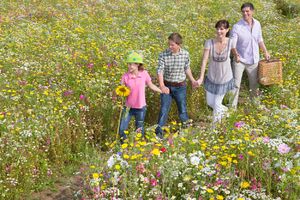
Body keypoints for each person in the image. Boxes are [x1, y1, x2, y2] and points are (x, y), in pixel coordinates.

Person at [155, 33, 197, 139]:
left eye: (172, 45)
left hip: (180, 87)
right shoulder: (163, 55)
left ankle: (186, 130)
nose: (170, 47)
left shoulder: (185, 54)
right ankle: (158, 134)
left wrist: (192, 80)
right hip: (167, 86)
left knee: (182, 109)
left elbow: (187, 68)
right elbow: (160, 71)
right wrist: (162, 86)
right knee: (164, 110)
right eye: (169, 44)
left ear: (179, 44)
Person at [197, 20, 239, 124]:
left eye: (222, 29)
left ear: (227, 30)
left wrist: (237, 57)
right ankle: (227, 112)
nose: (219, 31)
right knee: (210, 103)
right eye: (218, 29)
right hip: (212, 78)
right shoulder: (209, 42)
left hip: (225, 78)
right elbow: (204, 60)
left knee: (216, 104)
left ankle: (214, 129)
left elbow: (234, 52)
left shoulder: (231, 42)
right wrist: (201, 77)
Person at [231, 2, 270, 109]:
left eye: (247, 11)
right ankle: (232, 108)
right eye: (243, 11)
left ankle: (255, 105)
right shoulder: (237, 26)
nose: (245, 13)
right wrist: (236, 55)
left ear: (252, 11)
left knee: (254, 85)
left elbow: (259, 39)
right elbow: (232, 44)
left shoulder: (257, 23)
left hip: (254, 60)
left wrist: (265, 52)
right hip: (240, 60)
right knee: (236, 85)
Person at [119, 51, 162, 143]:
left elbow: (151, 85)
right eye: (129, 64)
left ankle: (139, 145)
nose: (130, 66)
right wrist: (119, 91)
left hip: (141, 108)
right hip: (128, 108)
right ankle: (124, 145)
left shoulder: (144, 74)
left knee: (139, 129)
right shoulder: (125, 76)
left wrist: (161, 91)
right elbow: (120, 89)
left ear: (138, 64)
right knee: (122, 128)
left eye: (132, 64)